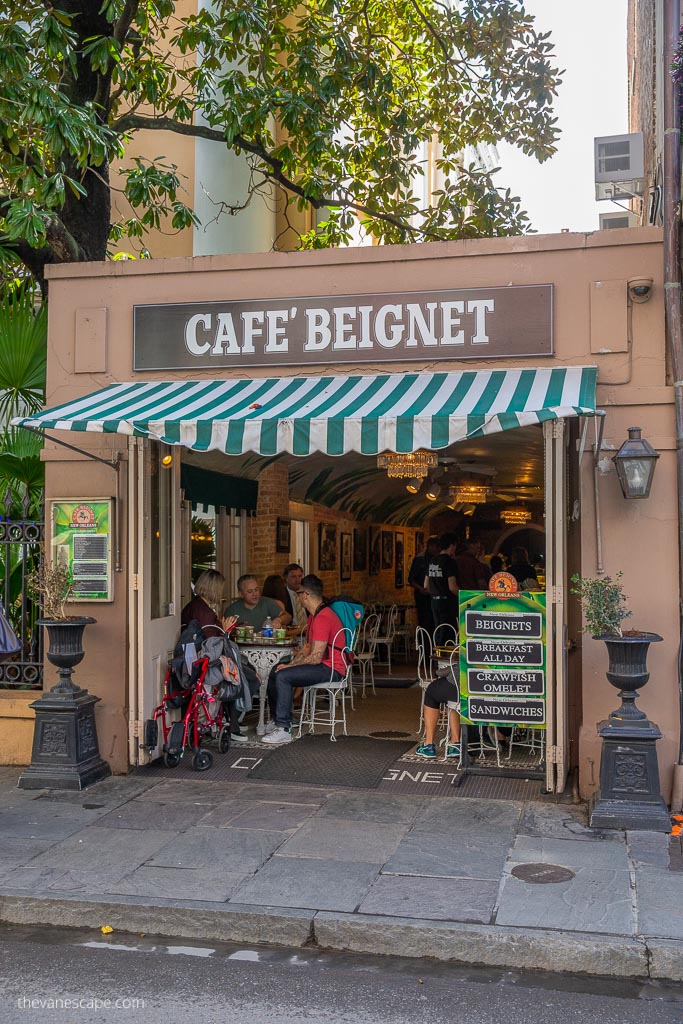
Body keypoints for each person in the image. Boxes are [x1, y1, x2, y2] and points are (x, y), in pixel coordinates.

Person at [262, 574, 345, 745]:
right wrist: (289, 664)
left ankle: (284, 729)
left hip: (332, 669)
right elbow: (307, 649)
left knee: (284, 676)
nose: (297, 597)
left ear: (305, 595)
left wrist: (289, 668)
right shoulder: (314, 615)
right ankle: (281, 718)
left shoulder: (323, 617)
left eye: (299, 593)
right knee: (275, 670)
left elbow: (315, 657)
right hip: (322, 665)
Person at [180, 569, 246, 742]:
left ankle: (232, 721)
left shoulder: (195, 606)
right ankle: (233, 723)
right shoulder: (205, 613)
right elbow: (211, 641)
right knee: (240, 675)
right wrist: (225, 630)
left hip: (191, 656)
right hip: (203, 659)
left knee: (238, 671)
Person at [416, 669, 461, 760]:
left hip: (460, 683)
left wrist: (441, 672)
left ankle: (428, 745)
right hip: (485, 688)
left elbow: (454, 668)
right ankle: (455, 744)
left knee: (431, 691)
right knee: (452, 700)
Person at [181, 569, 238, 638]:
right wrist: (226, 631)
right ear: (214, 590)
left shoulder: (196, 604)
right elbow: (211, 642)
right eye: (220, 589)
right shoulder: (204, 611)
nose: (221, 592)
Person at [224, 574, 292, 629]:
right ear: (241, 594)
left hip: (266, 644)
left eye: (256, 590)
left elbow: (288, 617)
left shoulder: (267, 603)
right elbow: (226, 633)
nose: (255, 594)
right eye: (250, 591)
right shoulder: (232, 610)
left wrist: (279, 620)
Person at [424, 532, 460, 633]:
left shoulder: (432, 560)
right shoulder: (450, 562)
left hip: (434, 602)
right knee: (448, 632)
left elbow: (426, 585)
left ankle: (437, 649)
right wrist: (464, 597)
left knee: (438, 630)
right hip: (447, 602)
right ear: (452, 545)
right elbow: (452, 587)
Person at [408, 536, 440, 632]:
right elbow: (411, 579)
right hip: (422, 596)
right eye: (436, 547)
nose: (437, 550)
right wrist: (420, 589)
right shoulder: (420, 559)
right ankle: (424, 643)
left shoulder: (438, 559)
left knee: (435, 622)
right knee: (424, 621)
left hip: (435, 595)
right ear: (430, 546)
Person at [283, 563, 307, 628]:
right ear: (286, 578)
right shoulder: (282, 595)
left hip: (308, 630)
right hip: (291, 631)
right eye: (293, 577)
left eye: (300, 576)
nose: (297, 580)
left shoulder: (307, 593)